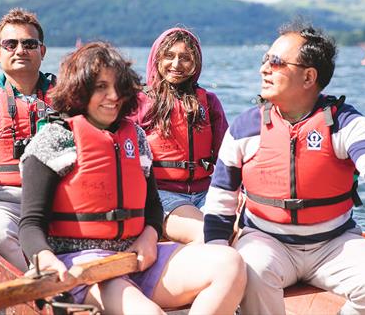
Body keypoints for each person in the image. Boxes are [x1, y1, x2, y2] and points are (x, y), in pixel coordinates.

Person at [19, 41, 246, 314]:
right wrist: (44, 258)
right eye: (101, 87)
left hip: (136, 258)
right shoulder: (54, 140)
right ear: (80, 88)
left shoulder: (135, 137)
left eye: (118, 87)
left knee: (229, 262)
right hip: (84, 266)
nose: (113, 96)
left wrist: (150, 236)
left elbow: (152, 207)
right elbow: (31, 223)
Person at [203, 21, 365, 315]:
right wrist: (216, 251)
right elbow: (221, 198)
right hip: (265, 240)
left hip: (335, 243)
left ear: (309, 76)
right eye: (265, 61)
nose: (263, 69)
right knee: (251, 274)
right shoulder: (245, 127)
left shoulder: (345, 123)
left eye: (275, 62)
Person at [131, 28, 228, 243]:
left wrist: (236, 193)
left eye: (185, 58)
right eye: (169, 56)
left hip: (206, 192)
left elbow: (226, 156)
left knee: (242, 230)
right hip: (162, 195)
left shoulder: (209, 102)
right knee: (209, 234)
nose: (176, 64)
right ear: (157, 58)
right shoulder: (138, 102)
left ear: (196, 63)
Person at [0, 8, 54, 271]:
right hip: (4, 201)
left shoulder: (65, 97)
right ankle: (39, 288)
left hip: (58, 201)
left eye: (29, 44)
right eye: (11, 44)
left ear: (42, 51)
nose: (20, 50)